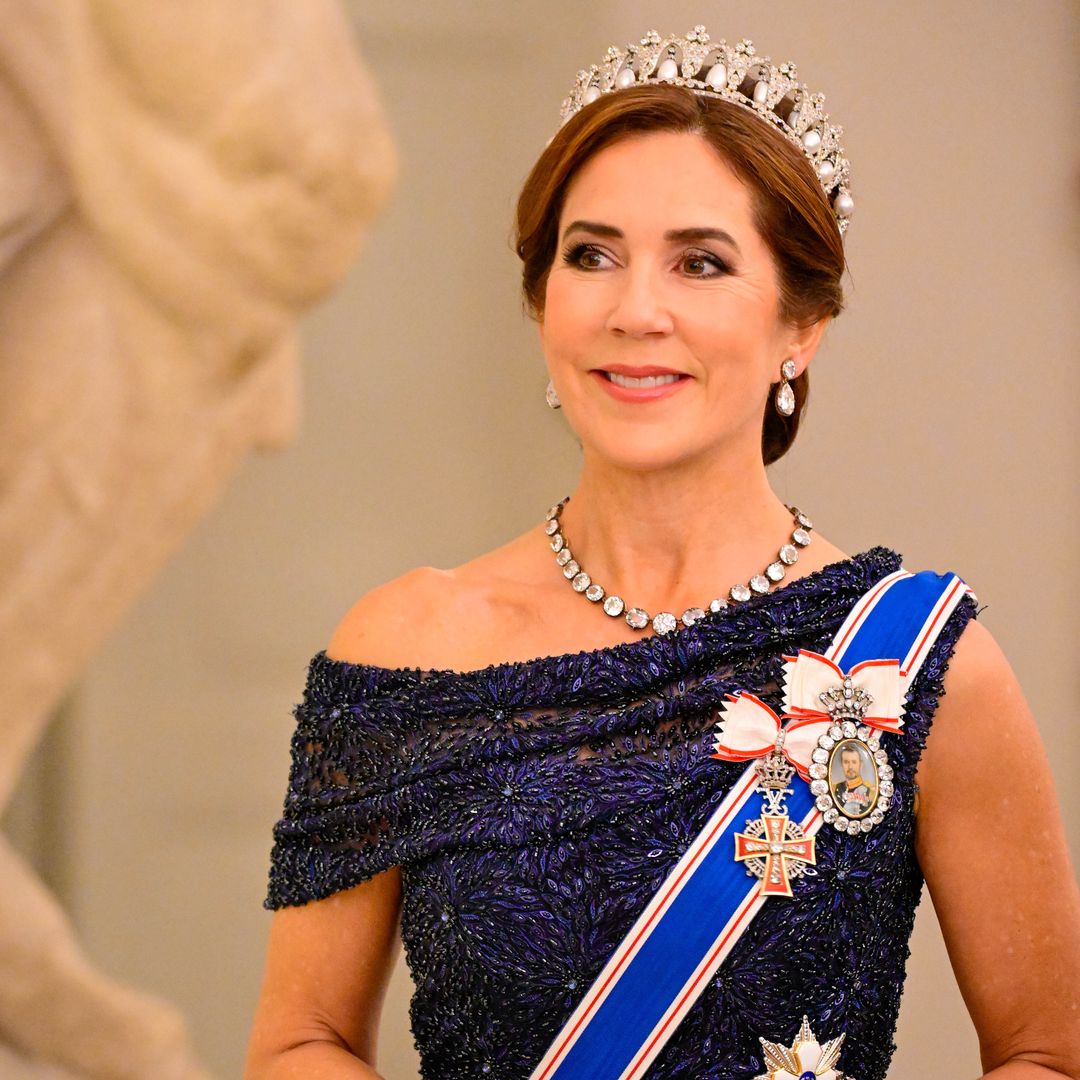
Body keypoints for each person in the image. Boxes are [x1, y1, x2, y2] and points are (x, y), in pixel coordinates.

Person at [243, 26, 1080, 1080]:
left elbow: (1048, 1055)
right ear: (543, 297)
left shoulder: (919, 667)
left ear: (801, 325)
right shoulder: (410, 650)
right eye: (590, 255)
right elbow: (298, 1043)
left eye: (701, 263)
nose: (636, 310)